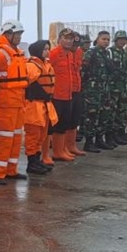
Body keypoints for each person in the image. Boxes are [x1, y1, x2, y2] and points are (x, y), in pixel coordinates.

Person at [0, 20, 29, 184]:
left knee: (15, 138)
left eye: (21, 34)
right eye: (17, 34)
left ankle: (11, 170)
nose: (19, 37)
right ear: (8, 34)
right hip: (5, 103)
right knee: (3, 138)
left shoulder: (18, 52)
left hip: (18, 101)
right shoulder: (0, 54)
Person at [50, 28, 84, 161]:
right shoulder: (54, 54)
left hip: (69, 94)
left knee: (68, 121)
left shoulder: (70, 54)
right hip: (57, 95)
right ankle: (58, 151)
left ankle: (65, 148)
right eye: (66, 38)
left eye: (70, 39)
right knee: (58, 125)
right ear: (59, 39)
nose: (69, 41)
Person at [23, 40, 55, 173]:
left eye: (48, 49)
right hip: (33, 105)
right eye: (45, 49)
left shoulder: (47, 65)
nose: (47, 51)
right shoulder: (32, 65)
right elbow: (29, 84)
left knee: (41, 136)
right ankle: (31, 163)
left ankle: (37, 160)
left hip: (45, 104)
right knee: (33, 135)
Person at [81, 31, 114, 152]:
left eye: (108, 39)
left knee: (103, 115)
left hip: (104, 90)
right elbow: (83, 70)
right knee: (91, 116)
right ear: (98, 39)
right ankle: (89, 142)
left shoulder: (106, 53)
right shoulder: (91, 52)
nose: (106, 41)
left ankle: (100, 139)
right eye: (103, 39)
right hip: (92, 91)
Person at [108, 31, 127, 145]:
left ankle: (118, 133)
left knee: (121, 111)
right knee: (111, 112)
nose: (122, 41)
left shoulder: (125, 53)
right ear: (116, 40)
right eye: (120, 39)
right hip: (112, 88)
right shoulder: (110, 52)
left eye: (124, 39)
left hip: (122, 87)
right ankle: (110, 135)